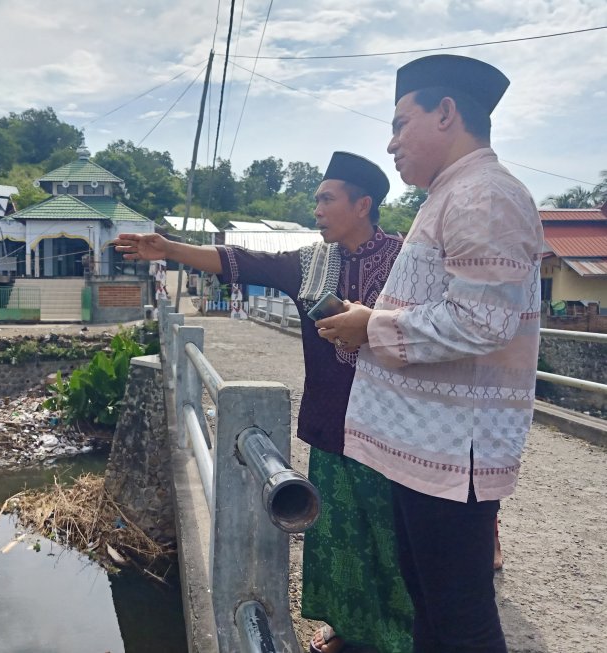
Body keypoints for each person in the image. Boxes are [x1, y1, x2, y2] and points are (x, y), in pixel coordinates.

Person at [115, 152, 413, 653]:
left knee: (391, 532)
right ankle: (347, 626)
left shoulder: (409, 261)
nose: (316, 208)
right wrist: (168, 248)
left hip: (396, 426)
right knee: (340, 530)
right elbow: (238, 260)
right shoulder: (310, 262)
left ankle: (400, 633)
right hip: (333, 423)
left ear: (363, 204)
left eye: (326, 198)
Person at [316, 55, 543, 652]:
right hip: (430, 447)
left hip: (452, 453)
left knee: (459, 613)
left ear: (446, 114)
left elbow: (483, 320)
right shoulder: (454, 194)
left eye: (399, 123)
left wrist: (371, 326)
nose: (391, 143)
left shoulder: (484, 195)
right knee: (431, 601)